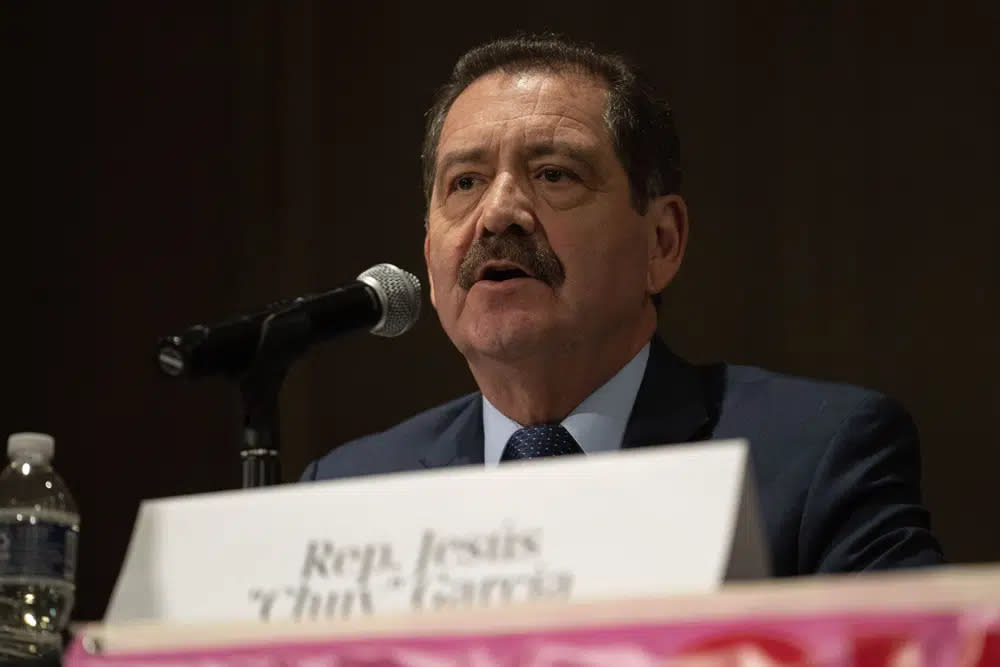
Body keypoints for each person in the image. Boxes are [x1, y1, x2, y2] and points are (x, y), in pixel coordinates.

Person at [301, 34, 944, 575]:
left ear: (661, 243)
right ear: (429, 258)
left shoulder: (814, 456)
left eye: (554, 174)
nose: (498, 213)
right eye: (464, 183)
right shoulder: (348, 492)